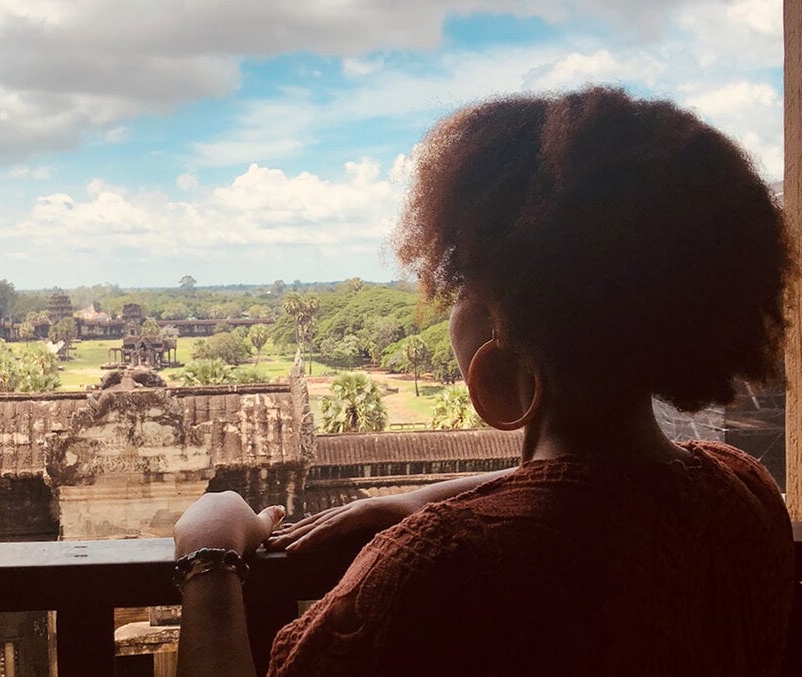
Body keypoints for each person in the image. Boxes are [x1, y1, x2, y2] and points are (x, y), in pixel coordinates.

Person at [171, 87, 796, 676]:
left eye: (465, 282)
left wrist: (210, 560)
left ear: (499, 367)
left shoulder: (433, 569)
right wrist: (422, 498)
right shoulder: (739, 491)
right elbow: (594, 481)